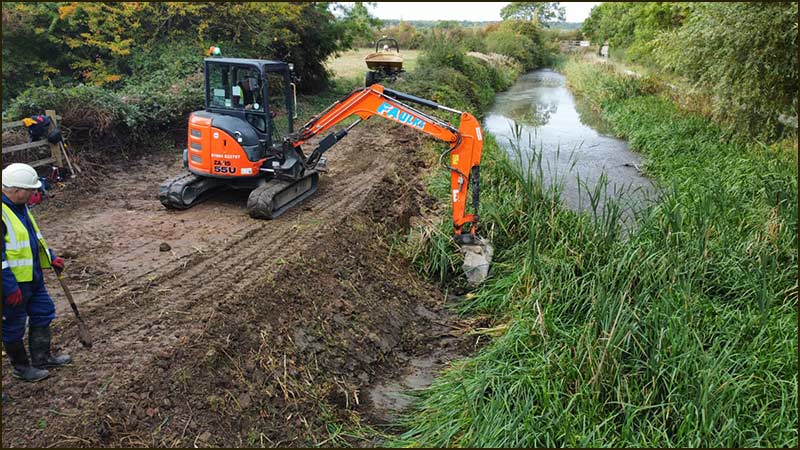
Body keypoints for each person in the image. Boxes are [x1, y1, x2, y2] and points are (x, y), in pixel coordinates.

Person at [2, 163, 71, 383]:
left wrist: (50, 256)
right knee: (13, 326)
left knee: (43, 311)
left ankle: (42, 358)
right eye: (31, 190)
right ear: (15, 189)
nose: (35, 193)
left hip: (33, 277)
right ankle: (21, 368)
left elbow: (33, 238)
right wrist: (9, 287)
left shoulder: (20, 207)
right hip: (13, 284)